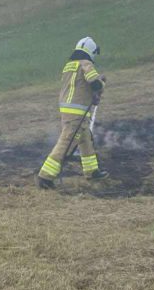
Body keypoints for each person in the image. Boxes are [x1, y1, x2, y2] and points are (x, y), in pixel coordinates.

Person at [37, 36, 109, 188]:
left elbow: (79, 86)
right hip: (77, 112)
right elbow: (93, 82)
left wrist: (93, 93)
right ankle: (45, 177)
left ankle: (91, 171)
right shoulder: (85, 63)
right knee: (66, 143)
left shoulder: (69, 66)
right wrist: (101, 84)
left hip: (68, 110)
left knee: (85, 138)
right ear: (90, 51)